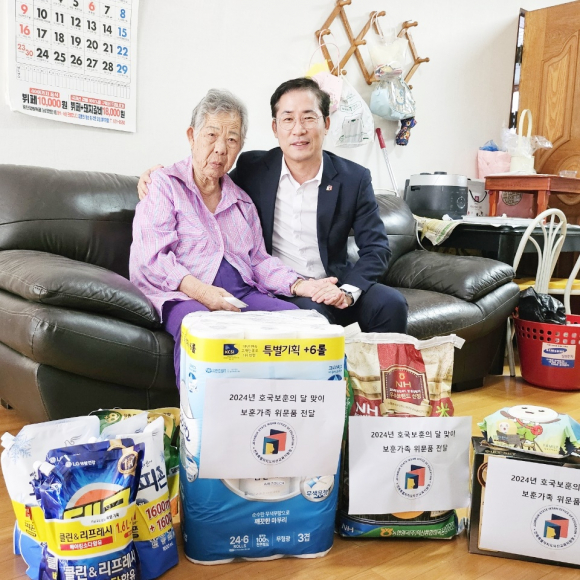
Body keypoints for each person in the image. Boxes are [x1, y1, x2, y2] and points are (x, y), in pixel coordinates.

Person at [138, 78, 408, 333]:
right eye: (288, 119)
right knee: (310, 321)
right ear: (275, 128)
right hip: (284, 288)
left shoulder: (354, 179)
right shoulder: (253, 169)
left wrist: (347, 292)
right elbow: (206, 174)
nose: (298, 129)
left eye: (308, 117)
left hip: (334, 282)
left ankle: (387, 369)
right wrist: (155, 177)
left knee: (391, 303)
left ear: (326, 123)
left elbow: (376, 248)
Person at [130, 89, 340, 387]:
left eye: (231, 140)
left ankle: (286, 408)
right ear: (192, 136)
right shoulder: (165, 185)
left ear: (240, 146)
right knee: (204, 329)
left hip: (240, 294)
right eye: (211, 135)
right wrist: (202, 292)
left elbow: (259, 261)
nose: (220, 149)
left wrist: (300, 284)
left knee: (299, 323)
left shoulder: (241, 201)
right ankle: (198, 414)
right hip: (182, 294)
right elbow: (153, 257)